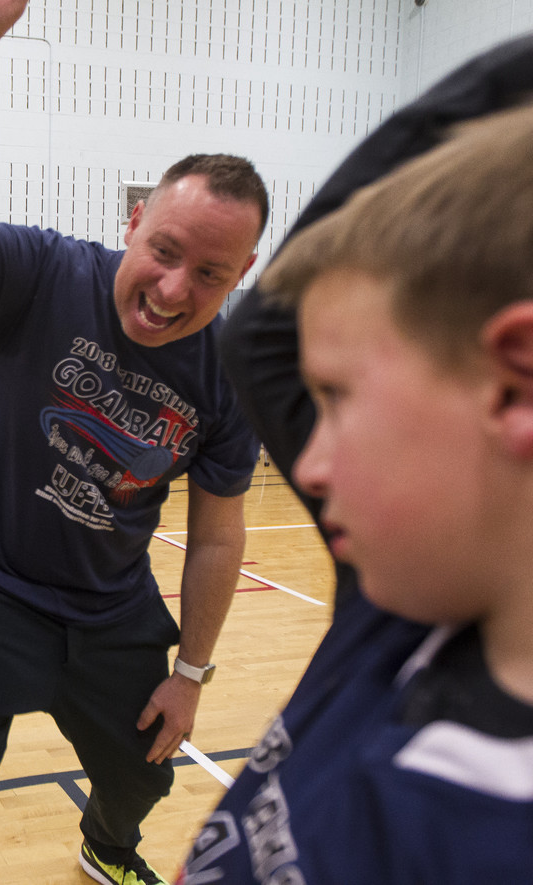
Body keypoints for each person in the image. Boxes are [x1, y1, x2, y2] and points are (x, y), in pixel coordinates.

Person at [0, 1, 267, 881]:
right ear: (134, 223)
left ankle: (106, 843)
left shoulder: (227, 375)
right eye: (164, 250)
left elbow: (216, 534)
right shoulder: (48, 273)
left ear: (241, 274)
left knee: (145, 771)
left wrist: (194, 673)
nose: (172, 289)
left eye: (209, 273)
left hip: (110, 612)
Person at [182, 41, 533, 885]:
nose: (311, 462)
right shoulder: (415, 593)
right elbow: (263, 327)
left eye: (335, 398)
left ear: (514, 390)